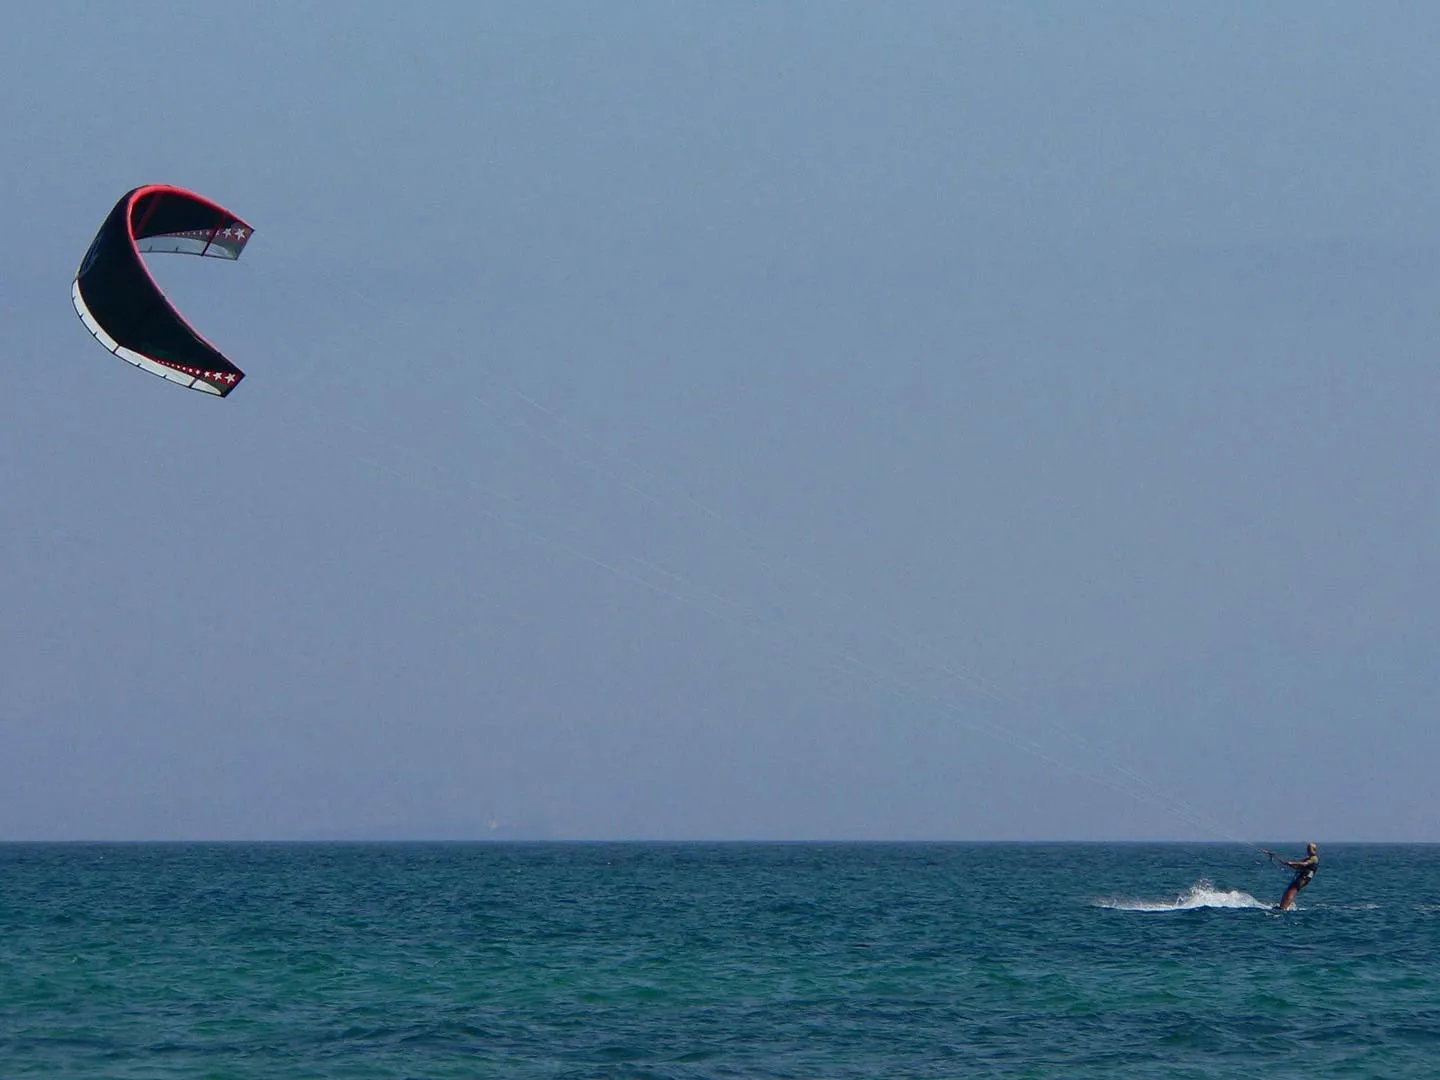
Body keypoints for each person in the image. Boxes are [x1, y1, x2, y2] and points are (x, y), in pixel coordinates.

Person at [1264, 842, 1318, 911]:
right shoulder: (1309, 858)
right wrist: (1287, 863)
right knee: (1288, 891)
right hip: (1302, 876)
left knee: (1292, 890)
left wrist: (1292, 863)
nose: (1308, 850)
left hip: (1304, 878)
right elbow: (1299, 866)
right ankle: (1282, 906)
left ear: (1314, 850)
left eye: (1309, 849)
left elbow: (1304, 864)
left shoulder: (1314, 858)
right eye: (1307, 849)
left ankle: (1284, 908)